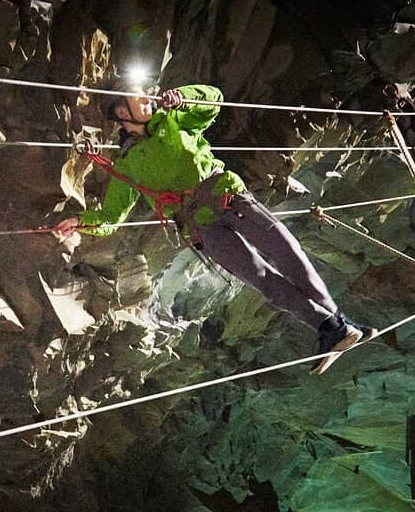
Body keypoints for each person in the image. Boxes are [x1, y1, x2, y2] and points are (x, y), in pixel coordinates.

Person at [54, 83, 376, 374]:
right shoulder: (127, 165)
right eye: (139, 96)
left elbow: (213, 102)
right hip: (202, 229)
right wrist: (81, 222)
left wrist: (184, 98)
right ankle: (333, 326)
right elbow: (113, 215)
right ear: (123, 112)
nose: (148, 97)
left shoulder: (173, 120)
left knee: (286, 249)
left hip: (227, 196)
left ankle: (337, 325)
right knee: (261, 278)